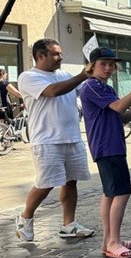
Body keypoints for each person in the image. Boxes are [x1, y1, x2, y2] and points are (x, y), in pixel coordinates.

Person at [79, 48, 131, 258]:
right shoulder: (92, 85)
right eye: (103, 63)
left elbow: (122, 116)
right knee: (121, 192)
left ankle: (110, 240)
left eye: (111, 64)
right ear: (92, 65)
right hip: (107, 146)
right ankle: (113, 241)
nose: (108, 68)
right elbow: (121, 107)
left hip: (112, 146)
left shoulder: (105, 87)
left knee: (110, 193)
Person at [16, 38, 94, 241]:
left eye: (60, 53)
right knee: (45, 183)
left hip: (72, 137)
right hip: (47, 140)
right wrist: (82, 75)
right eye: (56, 54)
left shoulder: (64, 74)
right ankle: (25, 218)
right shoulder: (28, 77)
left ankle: (69, 225)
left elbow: (81, 92)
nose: (61, 57)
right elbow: (54, 91)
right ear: (40, 56)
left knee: (71, 182)